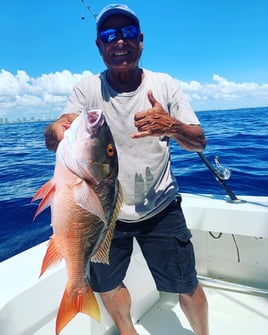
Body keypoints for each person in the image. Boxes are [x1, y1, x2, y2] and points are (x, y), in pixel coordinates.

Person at [44, 4, 209, 335]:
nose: (119, 41)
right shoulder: (87, 89)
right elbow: (53, 137)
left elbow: (199, 142)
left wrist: (172, 126)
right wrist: (57, 130)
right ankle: (127, 331)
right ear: (99, 45)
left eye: (128, 33)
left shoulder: (164, 85)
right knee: (107, 282)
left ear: (141, 40)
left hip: (161, 208)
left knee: (186, 283)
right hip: (105, 218)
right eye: (109, 35)